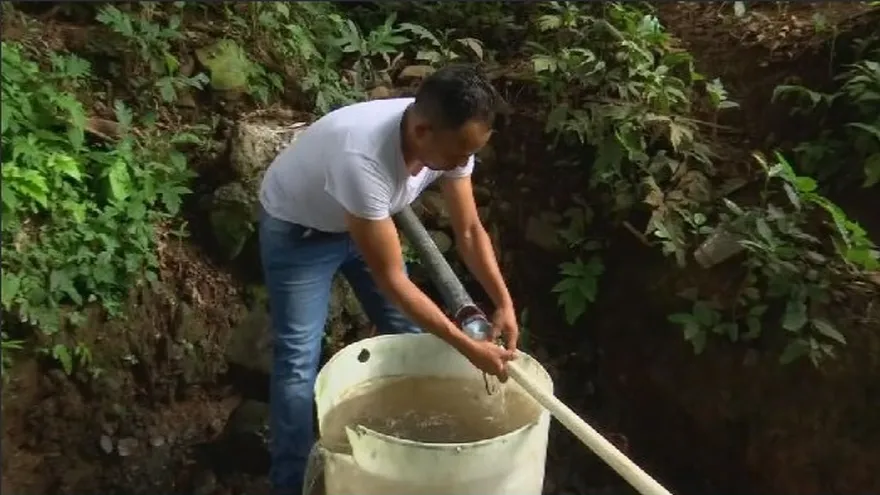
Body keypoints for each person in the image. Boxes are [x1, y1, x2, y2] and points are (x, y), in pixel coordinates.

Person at [257, 64, 519, 495]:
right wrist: (467, 346)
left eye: (468, 155)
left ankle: (416, 452)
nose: (460, 165)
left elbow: (469, 230)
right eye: (456, 156)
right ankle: (289, 483)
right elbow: (394, 280)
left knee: (406, 335)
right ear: (421, 132)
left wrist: (502, 302)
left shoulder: (450, 136)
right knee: (297, 362)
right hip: (299, 233)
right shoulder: (362, 159)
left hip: (361, 222)